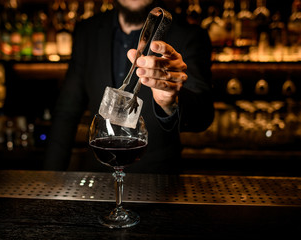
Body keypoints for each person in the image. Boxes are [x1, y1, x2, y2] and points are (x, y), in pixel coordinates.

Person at [44, 0, 214, 174]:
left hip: (157, 181)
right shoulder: (87, 31)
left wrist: (170, 101)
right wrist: (51, 176)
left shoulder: (190, 35)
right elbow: (67, 111)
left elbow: (203, 115)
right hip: (98, 175)